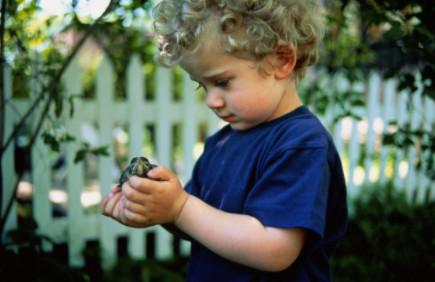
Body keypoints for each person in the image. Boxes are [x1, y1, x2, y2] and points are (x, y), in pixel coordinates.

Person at [102, 0, 348, 281]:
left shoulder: (299, 144)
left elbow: (276, 250)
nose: (211, 101)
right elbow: (200, 224)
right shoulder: (221, 144)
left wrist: (181, 209)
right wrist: (160, 208)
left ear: (281, 60)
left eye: (222, 82)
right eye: (202, 85)